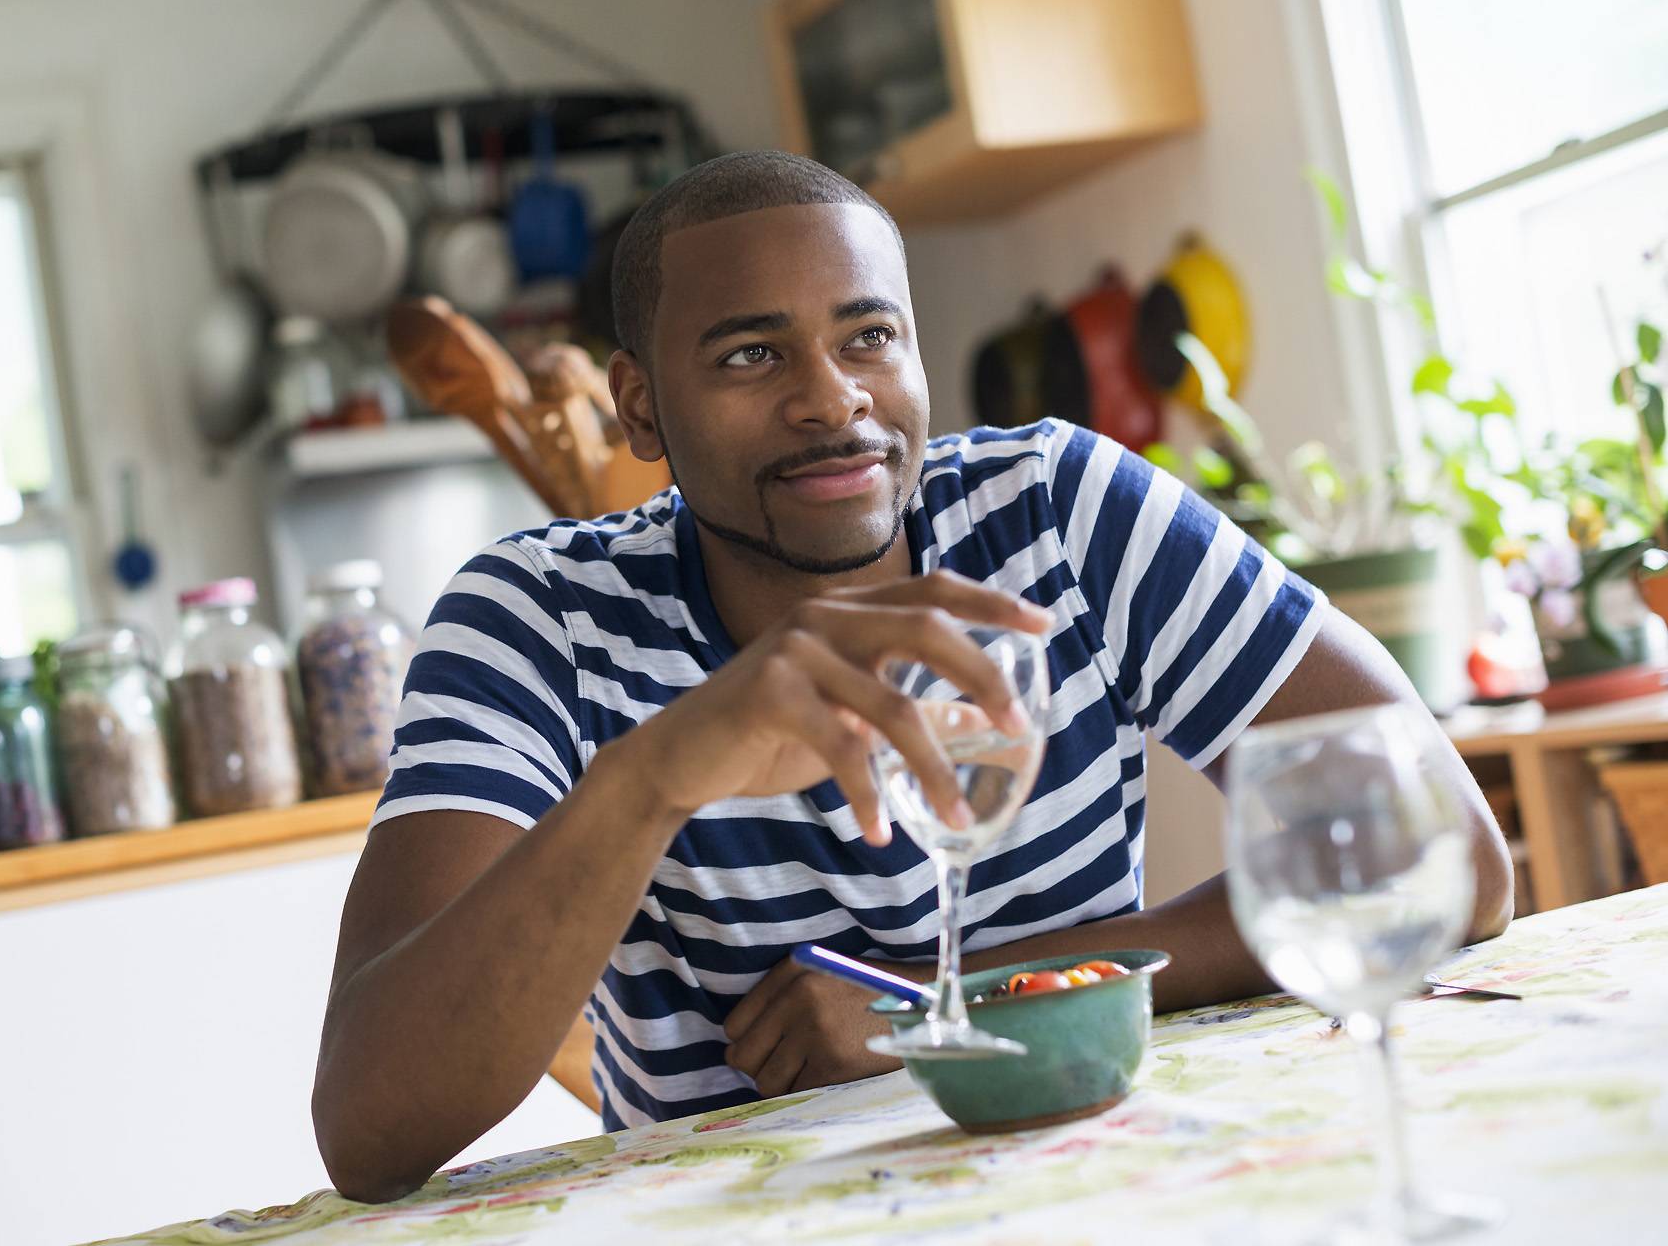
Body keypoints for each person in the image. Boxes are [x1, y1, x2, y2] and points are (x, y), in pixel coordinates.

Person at [312, 151, 1513, 1202]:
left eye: (869, 336)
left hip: (1102, 1173)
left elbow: (1444, 853)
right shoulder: (535, 618)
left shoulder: (1062, 512)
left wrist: (931, 1005)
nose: (833, 398)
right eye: (748, 353)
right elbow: (370, 1130)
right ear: (641, 406)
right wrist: (655, 773)